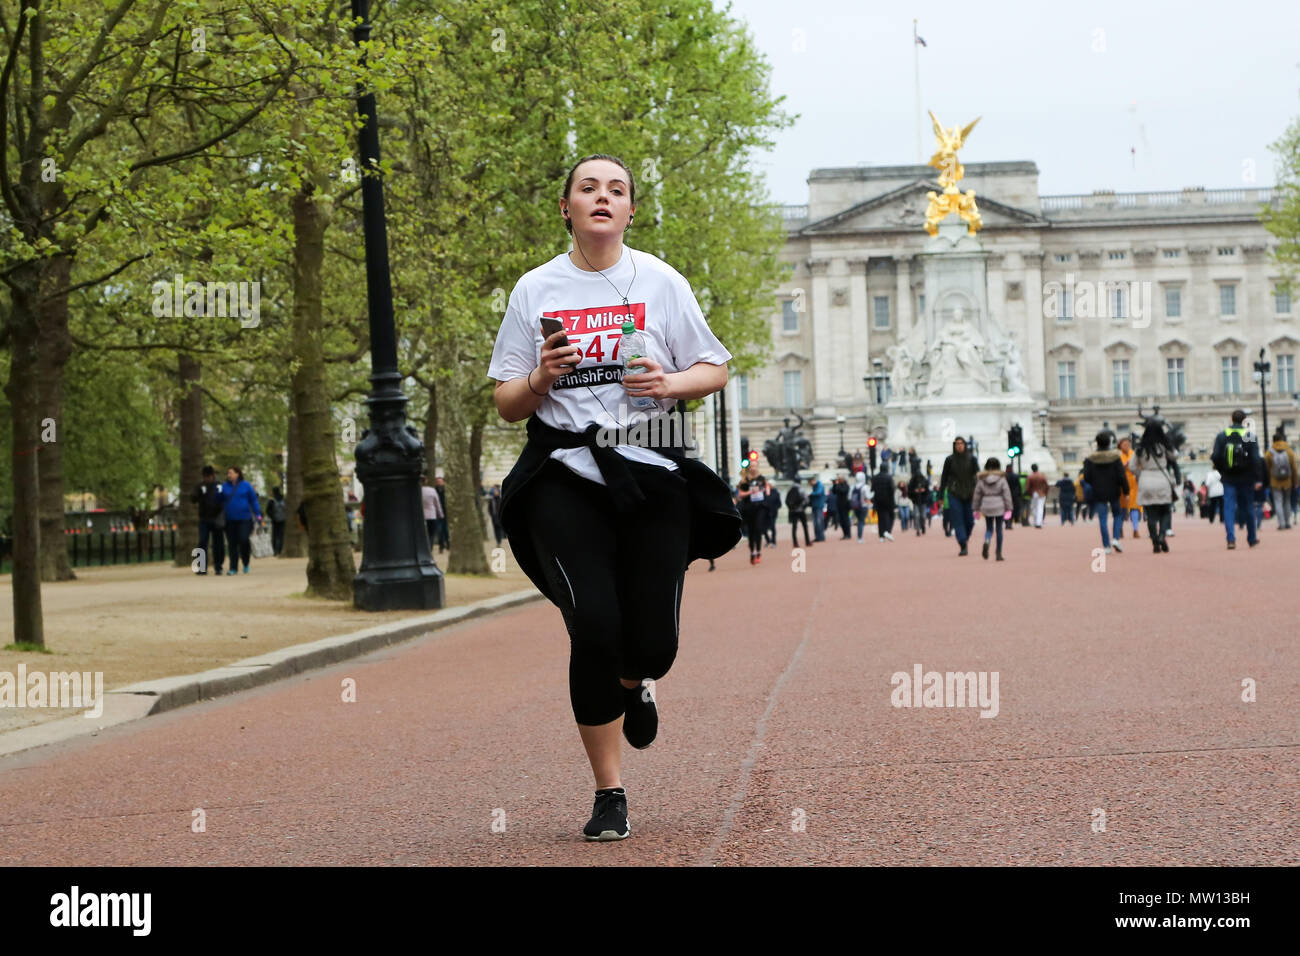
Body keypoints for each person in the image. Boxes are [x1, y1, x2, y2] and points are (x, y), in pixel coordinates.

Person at [486, 153, 739, 842]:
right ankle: (610, 792)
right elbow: (508, 402)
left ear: (631, 210)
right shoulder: (535, 290)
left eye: (617, 190)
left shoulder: (660, 281)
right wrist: (540, 376)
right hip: (565, 475)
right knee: (593, 625)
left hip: (651, 471)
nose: (603, 197)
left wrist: (670, 384)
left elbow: (714, 367)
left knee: (651, 644)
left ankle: (638, 681)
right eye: (588, 188)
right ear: (566, 206)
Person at [1210, 409, 1261, 550]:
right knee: (1249, 507)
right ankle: (1251, 538)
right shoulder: (1248, 436)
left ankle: (1231, 538)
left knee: (1228, 508)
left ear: (1231, 419)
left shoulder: (1222, 435)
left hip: (1229, 477)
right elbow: (1256, 458)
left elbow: (1215, 456)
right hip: (1246, 477)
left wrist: (1222, 470)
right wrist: (1257, 478)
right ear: (1244, 420)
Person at [1128, 419, 1180, 553]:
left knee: (1150, 514)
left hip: (1146, 479)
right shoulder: (1163, 446)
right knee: (1165, 511)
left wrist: (1141, 474)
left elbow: (1131, 466)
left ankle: (1155, 540)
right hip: (1162, 479)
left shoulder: (1140, 448)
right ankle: (1162, 535)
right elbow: (1175, 456)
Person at [1083, 431, 1128, 554]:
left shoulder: (1090, 458)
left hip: (1098, 490)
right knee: (1117, 515)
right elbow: (1121, 476)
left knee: (1102, 518)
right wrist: (1126, 491)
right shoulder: (1115, 457)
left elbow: (1086, 477)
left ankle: (1106, 545)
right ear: (1109, 442)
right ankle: (1116, 538)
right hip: (1114, 489)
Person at [938, 437, 978, 555]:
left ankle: (965, 537)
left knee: (970, 521)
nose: (959, 446)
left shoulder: (972, 459)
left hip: (969, 493)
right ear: (954, 446)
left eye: (961, 444)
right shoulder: (949, 460)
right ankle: (962, 543)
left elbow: (977, 476)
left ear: (965, 445)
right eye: (957, 444)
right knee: (957, 519)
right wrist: (940, 495)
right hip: (954, 493)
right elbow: (944, 478)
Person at [222, 466, 263, 574]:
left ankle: (246, 562)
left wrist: (258, 515)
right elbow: (219, 500)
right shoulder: (224, 486)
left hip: (245, 519)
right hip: (230, 519)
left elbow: (253, 501)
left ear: (237, 474)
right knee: (232, 543)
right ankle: (233, 567)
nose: (229, 475)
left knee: (244, 539)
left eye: (231, 473)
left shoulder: (246, 486)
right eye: (228, 473)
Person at [972, 456, 1012, 561]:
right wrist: (1009, 508)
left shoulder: (981, 479)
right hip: (999, 504)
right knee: (999, 529)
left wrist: (975, 509)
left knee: (989, 528)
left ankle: (987, 540)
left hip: (986, 504)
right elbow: (1006, 494)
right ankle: (998, 553)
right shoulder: (1002, 479)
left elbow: (977, 495)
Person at [190, 465, 226, 574]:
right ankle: (201, 567)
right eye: (205, 477)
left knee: (218, 543)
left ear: (213, 476)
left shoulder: (219, 486)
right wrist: (197, 494)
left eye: (209, 476)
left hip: (217, 519)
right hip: (204, 519)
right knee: (202, 542)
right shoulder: (200, 486)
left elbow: (225, 497)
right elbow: (193, 498)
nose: (207, 479)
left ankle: (218, 566)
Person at [1264, 431, 1297, 530]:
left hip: (1275, 481)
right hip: (1288, 481)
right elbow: (1294, 468)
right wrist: (1295, 482)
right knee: (1287, 501)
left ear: (1273, 440)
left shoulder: (1269, 452)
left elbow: (1267, 468)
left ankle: (1281, 524)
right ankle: (1288, 523)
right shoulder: (1289, 451)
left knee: (1278, 502)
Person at [736, 471, 767, 565]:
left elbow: (766, 488)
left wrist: (764, 489)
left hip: (759, 508)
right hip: (748, 509)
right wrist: (751, 492)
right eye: (752, 466)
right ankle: (752, 552)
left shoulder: (761, 478)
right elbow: (740, 495)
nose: (753, 469)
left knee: (758, 529)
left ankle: (758, 551)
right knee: (751, 531)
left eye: (755, 466)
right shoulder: (744, 481)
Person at [1117, 436, 1141, 539]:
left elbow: (1140, 466)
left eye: (1128, 444)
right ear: (1120, 446)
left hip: (1134, 483)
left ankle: (1135, 529)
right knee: (1122, 508)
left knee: (1134, 507)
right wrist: (1123, 466)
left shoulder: (1135, 454)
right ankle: (1120, 529)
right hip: (1121, 484)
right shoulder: (1117, 455)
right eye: (1124, 444)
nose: (1126, 446)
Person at [870, 463, 896, 541]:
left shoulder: (875, 478)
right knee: (890, 516)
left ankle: (881, 536)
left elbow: (872, 489)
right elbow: (892, 489)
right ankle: (887, 531)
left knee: (881, 518)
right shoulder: (889, 477)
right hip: (888, 501)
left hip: (878, 500)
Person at [786, 480, 813, 547]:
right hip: (800, 510)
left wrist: (791, 508)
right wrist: (803, 507)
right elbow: (806, 500)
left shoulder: (790, 490)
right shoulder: (801, 490)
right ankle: (807, 541)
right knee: (805, 526)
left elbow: (786, 501)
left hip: (793, 511)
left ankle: (795, 543)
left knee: (794, 527)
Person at [421, 474, 444, 551]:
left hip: (421, 516)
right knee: (431, 533)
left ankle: (425, 547)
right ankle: (430, 548)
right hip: (432, 515)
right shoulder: (432, 490)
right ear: (426, 481)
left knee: (423, 533)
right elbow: (437, 503)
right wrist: (441, 514)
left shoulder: (418, 491)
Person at [907, 469, 930, 535]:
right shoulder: (912, 482)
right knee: (916, 515)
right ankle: (917, 529)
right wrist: (914, 491)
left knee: (923, 516)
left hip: (923, 501)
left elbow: (928, 492)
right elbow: (909, 492)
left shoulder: (925, 481)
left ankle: (923, 526)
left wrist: (924, 490)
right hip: (916, 501)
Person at [266, 486, 287, 555]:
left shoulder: (272, 501)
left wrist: (272, 516)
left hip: (276, 520)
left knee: (275, 536)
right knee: (280, 536)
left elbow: (268, 511)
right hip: (281, 520)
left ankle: (276, 550)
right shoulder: (283, 499)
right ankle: (279, 550)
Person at [1026, 464, 1049, 528]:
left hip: (1033, 493)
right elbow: (1047, 485)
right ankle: (1039, 522)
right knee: (1040, 508)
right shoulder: (1042, 476)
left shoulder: (1030, 476)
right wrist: (1045, 492)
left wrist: (1029, 493)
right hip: (1041, 493)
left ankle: (1036, 521)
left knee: (1034, 508)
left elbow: (1027, 487)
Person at [849, 471, 870, 542]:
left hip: (855, 506)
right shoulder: (865, 487)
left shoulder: (853, 487)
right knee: (861, 521)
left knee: (859, 521)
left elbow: (849, 497)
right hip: (863, 506)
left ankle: (859, 536)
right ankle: (859, 537)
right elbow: (867, 496)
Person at [1002, 462, 1021, 533]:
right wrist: (1019, 494)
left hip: (1006, 495)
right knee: (1011, 509)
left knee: (1006, 509)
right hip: (1014, 495)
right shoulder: (1016, 476)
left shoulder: (1004, 476)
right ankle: (1009, 523)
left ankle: (1007, 522)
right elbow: (1018, 486)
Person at [808, 475, 827, 542]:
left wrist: (810, 494)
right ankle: (818, 536)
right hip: (815, 505)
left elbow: (818, 493)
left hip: (819, 506)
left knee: (819, 522)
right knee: (815, 522)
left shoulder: (819, 485)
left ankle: (821, 536)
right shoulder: (815, 486)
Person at [832, 475, 852, 540]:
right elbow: (834, 492)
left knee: (846, 520)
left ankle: (848, 534)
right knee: (841, 521)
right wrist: (834, 484)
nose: (839, 480)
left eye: (840, 479)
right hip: (839, 505)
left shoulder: (846, 485)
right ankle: (844, 534)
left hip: (845, 506)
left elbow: (844, 491)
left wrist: (837, 486)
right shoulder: (838, 485)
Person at [762, 477, 780, 547]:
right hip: (765, 512)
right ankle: (768, 540)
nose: (768, 485)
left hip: (773, 513)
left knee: (772, 527)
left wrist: (775, 508)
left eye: (770, 484)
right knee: (763, 528)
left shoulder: (776, 492)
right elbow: (762, 500)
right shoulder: (764, 492)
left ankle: (773, 542)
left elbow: (779, 503)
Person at [433, 476, 449, 552]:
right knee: (440, 529)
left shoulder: (446, 490)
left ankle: (448, 544)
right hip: (437, 513)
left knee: (445, 529)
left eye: (441, 481)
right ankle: (441, 545)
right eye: (438, 482)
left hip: (445, 512)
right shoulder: (434, 490)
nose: (439, 483)